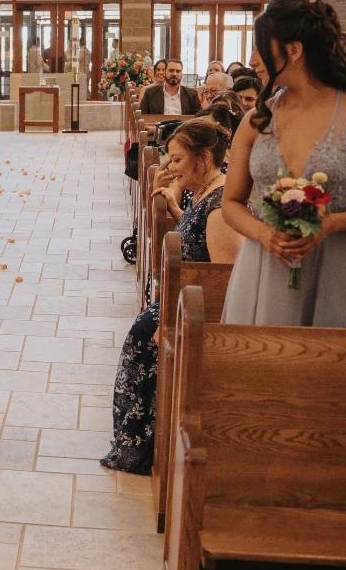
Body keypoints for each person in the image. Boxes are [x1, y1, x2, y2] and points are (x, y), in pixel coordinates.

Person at [219, 0, 346, 326]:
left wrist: (328, 224)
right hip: (262, 265)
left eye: (259, 47)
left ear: (293, 50)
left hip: (332, 265)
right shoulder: (257, 119)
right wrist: (263, 234)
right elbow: (230, 203)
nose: (253, 60)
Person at [101, 117, 242, 473]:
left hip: (191, 319)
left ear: (205, 158)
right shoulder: (207, 195)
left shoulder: (221, 210)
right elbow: (197, 246)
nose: (170, 167)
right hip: (176, 307)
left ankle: (143, 449)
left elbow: (224, 281)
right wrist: (176, 204)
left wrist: (175, 326)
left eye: (177, 159)